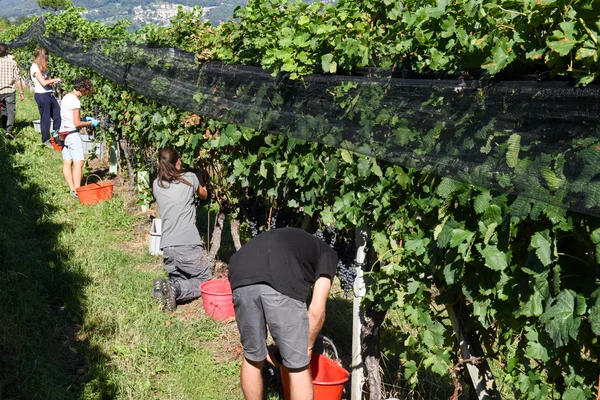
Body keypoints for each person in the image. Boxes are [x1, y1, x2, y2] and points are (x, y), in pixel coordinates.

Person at [228, 227, 338, 400]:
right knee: (298, 366)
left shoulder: (296, 242)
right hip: (279, 275)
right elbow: (316, 310)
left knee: (252, 356)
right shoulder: (328, 254)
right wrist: (307, 347)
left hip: (239, 271)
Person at [152, 147, 212, 311]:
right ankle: (175, 290)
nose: (182, 162)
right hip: (187, 245)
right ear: (177, 162)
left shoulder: (157, 185)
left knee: (179, 278)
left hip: (168, 249)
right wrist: (202, 178)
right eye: (180, 160)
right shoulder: (190, 178)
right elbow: (204, 195)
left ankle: (166, 290)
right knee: (206, 280)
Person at [59, 75, 99, 198]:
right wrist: (90, 122)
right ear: (82, 88)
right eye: (86, 90)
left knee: (67, 162)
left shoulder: (66, 97)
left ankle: (72, 190)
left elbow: (69, 117)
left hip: (63, 133)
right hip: (71, 134)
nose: (85, 93)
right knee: (79, 162)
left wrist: (84, 119)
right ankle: (78, 191)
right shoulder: (76, 101)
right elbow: (76, 123)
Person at [30, 47, 62, 148]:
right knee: (46, 118)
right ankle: (46, 139)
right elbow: (43, 82)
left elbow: (47, 81)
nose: (47, 59)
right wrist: (54, 80)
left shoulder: (44, 68)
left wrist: (53, 82)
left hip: (49, 94)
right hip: (41, 95)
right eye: (46, 57)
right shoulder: (34, 68)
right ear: (41, 57)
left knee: (58, 115)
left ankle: (56, 136)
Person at [0, 43, 24, 139]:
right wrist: (21, 91)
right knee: (10, 110)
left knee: (3, 110)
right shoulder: (12, 63)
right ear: (7, 52)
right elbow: (18, 78)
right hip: (9, 91)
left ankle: (3, 126)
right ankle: (9, 130)